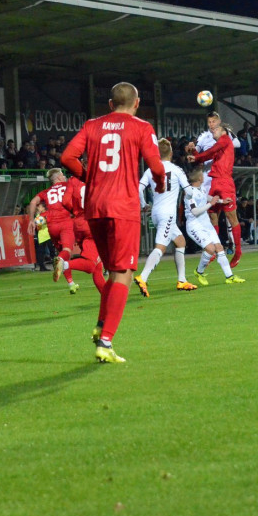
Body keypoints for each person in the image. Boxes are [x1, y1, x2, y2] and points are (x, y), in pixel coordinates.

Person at [61, 82, 165, 363]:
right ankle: (106, 342)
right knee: (124, 274)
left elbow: (67, 157)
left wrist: (87, 177)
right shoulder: (142, 127)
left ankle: (99, 326)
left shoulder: (92, 125)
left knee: (112, 271)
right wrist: (161, 183)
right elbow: (156, 166)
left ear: (110, 104)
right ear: (136, 103)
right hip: (123, 207)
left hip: (94, 207)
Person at [134, 138, 198, 296]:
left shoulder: (150, 170)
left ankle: (182, 280)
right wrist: (192, 193)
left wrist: (143, 205)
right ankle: (143, 277)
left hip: (155, 212)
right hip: (168, 214)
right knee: (161, 247)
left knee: (180, 241)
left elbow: (138, 189)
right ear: (170, 153)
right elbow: (189, 192)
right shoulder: (176, 170)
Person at [188, 113, 243, 264]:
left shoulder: (225, 139)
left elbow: (210, 152)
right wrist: (194, 152)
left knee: (232, 218)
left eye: (215, 129)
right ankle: (215, 249)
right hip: (214, 183)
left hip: (225, 183)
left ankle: (238, 252)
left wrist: (197, 157)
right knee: (212, 217)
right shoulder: (219, 148)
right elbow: (205, 156)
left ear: (223, 130)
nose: (213, 131)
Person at [183, 169, 246, 286]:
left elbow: (206, 198)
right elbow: (195, 211)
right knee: (211, 249)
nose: (204, 177)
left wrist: (221, 201)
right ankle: (199, 271)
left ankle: (230, 277)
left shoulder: (200, 189)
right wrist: (210, 205)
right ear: (199, 179)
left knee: (219, 247)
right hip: (195, 226)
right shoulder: (189, 193)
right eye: (202, 175)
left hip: (206, 224)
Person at [25, 168, 83, 294]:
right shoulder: (67, 185)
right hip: (65, 221)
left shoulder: (46, 192)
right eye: (62, 175)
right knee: (66, 252)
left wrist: (31, 220)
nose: (64, 177)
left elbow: (33, 202)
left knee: (63, 254)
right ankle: (59, 260)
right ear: (58, 178)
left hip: (51, 225)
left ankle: (71, 284)